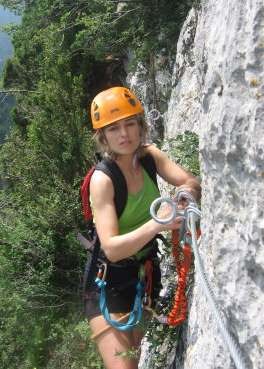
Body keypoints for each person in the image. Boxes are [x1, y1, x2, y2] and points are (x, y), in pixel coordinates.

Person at [84, 87, 201, 369]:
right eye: (114, 129)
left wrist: (183, 194)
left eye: (129, 124)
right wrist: (157, 223)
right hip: (108, 282)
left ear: (140, 125)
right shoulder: (104, 179)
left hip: (144, 273)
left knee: (135, 358)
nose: (124, 134)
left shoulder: (150, 156)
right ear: (103, 137)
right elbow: (111, 248)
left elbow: (190, 181)